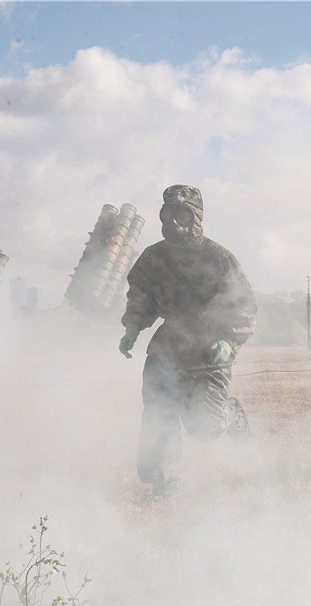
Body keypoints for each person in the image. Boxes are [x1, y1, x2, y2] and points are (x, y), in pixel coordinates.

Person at [119, 185, 257, 496]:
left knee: (205, 427)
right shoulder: (153, 257)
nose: (173, 222)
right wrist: (132, 328)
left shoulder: (219, 258)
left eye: (181, 214)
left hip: (208, 351)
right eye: (167, 214)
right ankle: (163, 481)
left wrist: (229, 341)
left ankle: (231, 414)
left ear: (196, 217)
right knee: (158, 413)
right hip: (166, 349)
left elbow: (244, 305)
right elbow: (141, 296)